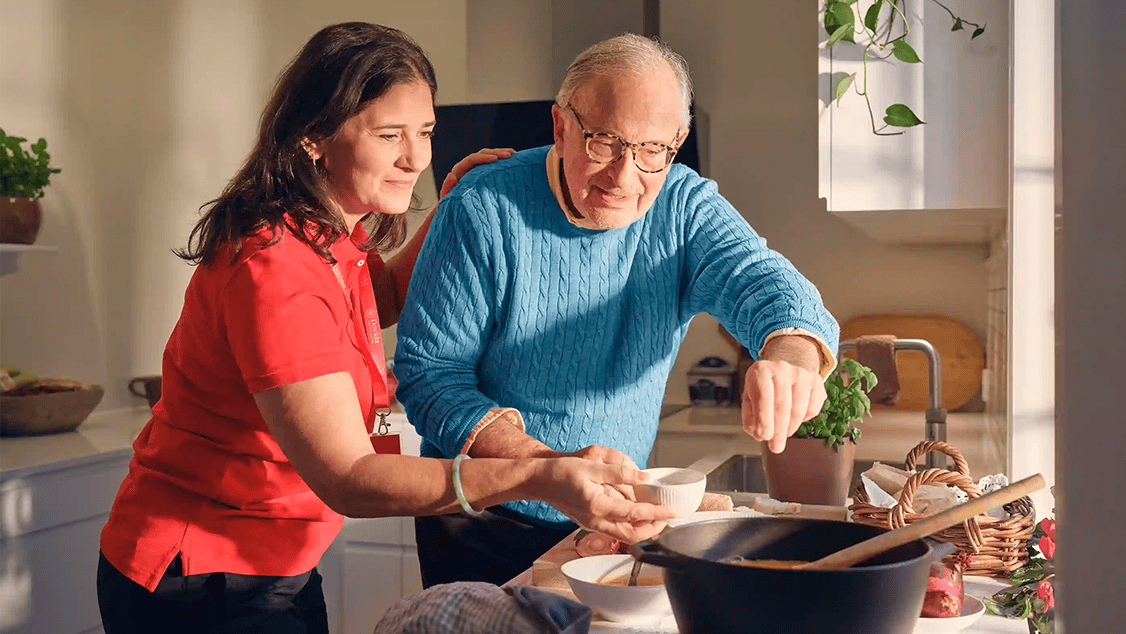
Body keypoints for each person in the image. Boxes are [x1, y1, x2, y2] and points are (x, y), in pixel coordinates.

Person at [96, 23, 673, 634]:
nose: (415, 157)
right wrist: (539, 475)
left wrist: (447, 208)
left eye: (424, 131)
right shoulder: (273, 270)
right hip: (202, 576)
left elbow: (370, 300)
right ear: (314, 136)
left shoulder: (322, 238)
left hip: (277, 562)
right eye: (388, 134)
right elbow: (349, 477)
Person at [394, 33, 842, 588]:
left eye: (653, 150)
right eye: (604, 142)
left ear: (677, 142)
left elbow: (766, 282)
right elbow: (431, 378)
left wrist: (791, 355)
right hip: (480, 521)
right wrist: (545, 468)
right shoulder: (481, 208)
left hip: (607, 525)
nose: (624, 177)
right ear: (560, 127)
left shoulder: (684, 206)